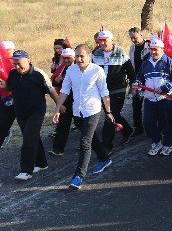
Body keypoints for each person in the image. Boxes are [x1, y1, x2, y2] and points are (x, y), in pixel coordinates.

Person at [53, 44, 114, 189]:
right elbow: (65, 90)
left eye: (82, 56)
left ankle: (78, 176)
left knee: (85, 143)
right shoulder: (71, 70)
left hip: (92, 110)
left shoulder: (97, 71)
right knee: (91, 139)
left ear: (89, 56)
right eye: (77, 56)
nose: (79, 59)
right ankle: (104, 158)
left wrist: (108, 111)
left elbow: (104, 93)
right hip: (77, 111)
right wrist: (56, 109)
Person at [0, 50, 57, 181]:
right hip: (20, 111)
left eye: (19, 63)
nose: (16, 66)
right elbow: (11, 87)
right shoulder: (13, 73)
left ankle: (26, 170)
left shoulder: (38, 74)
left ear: (28, 60)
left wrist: (59, 107)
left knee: (28, 138)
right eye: (14, 63)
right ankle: (42, 164)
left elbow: (51, 91)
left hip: (36, 111)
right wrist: (5, 86)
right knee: (32, 136)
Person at [132, 38, 172, 157]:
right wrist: (137, 84)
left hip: (165, 98)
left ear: (162, 49)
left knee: (167, 123)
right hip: (149, 98)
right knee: (148, 122)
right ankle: (156, 142)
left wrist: (165, 88)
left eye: (155, 49)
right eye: (151, 49)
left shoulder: (169, 62)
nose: (153, 52)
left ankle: (167, 144)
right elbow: (140, 77)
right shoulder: (146, 62)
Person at [92, 30, 136, 151]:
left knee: (109, 115)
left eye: (105, 40)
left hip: (118, 89)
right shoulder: (95, 54)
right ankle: (127, 130)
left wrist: (133, 86)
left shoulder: (121, 53)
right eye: (100, 41)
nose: (102, 43)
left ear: (111, 40)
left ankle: (107, 145)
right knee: (113, 114)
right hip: (102, 90)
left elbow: (131, 72)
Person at [50, 48, 76, 156]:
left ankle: (92, 145)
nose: (66, 61)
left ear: (74, 57)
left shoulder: (81, 67)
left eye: (68, 58)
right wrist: (56, 80)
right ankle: (58, 149)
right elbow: (54, 81)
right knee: (63, 124)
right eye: (64, 58)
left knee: (83, 124)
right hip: (66, 99)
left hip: (79, 99)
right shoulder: (62, 68)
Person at [128, 27, 150, 137]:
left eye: (135, 37)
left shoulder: (149, 46)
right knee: (136, 105)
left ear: (141, 35)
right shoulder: (132, 48)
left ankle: (152, 126)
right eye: (131, 38)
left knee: (150, 104)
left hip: (148, 79)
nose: (133, 40)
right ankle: (138, 127)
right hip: (136, 80)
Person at [0, 40, 16, 149]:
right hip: (2, 93)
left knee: (7, 117)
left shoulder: (16, 62)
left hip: (12, 95)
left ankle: (5, 133)